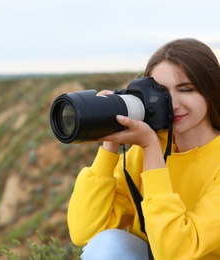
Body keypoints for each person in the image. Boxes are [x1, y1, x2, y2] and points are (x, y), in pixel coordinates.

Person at [67, 38, 220, 259]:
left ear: (211, 90)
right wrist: (110, 143)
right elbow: (85, 232)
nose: (173, 104)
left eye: (186, 89)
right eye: (162, 93)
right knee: (108, 244)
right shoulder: (146, 149)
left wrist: (151, 151)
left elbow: (175, 253)